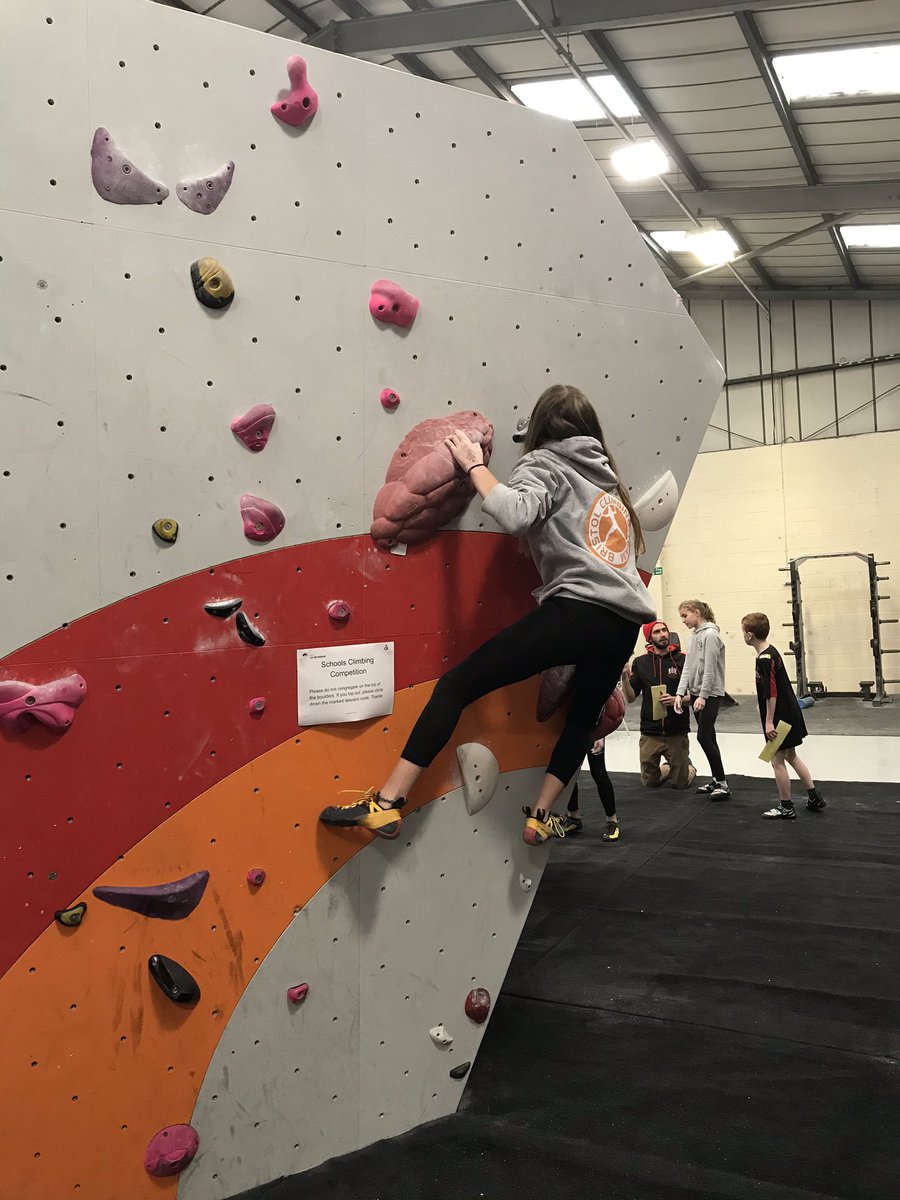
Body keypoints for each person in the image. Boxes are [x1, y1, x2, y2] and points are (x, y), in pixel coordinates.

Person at [318, 384, 656, 846]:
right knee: (580, 721)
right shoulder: (607, 483)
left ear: (542, 428)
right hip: (623, 626)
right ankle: (540, 816)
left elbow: (515, 513)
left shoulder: (547, 463)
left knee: (457, 686)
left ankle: (388, 804)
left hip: (577, 611)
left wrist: (474, 464)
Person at [741, 612, 827, 819]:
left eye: (743, 631)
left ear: (750, 635)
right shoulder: (771, 652)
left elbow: (772, 692)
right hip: (788, 711)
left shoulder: (764, 659)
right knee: (791, 755)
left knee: (776, 760)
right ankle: (815, 796)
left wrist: (769, 721)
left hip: (780, 716)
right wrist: (760, 706)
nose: (743, 635)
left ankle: (786, 806)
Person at [621, 620, 696, 789]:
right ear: (649, 638)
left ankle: (688, 767)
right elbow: (631, 697)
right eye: (657, 632)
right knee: (649, 783)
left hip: (676, 730)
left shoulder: (683, 660)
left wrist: (677, 700)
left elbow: (697, 696)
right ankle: (671, 767)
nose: (662, 634)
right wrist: (624, 677)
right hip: (650, 731)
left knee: (680, 784)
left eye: (664, 630)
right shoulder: (640, 663)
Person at [674, 600, 730, 799]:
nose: (683, 620)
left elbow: (710, 668)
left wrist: (704, 696)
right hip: (697, 693)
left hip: (711, 694)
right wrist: (681, 693)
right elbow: (688, 667)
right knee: (710, 737)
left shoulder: (711, 635)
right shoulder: (693, 637)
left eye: (684, 616)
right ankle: (717, 779)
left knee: (703, 736)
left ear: (696, 613)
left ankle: (722, 784)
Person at [562, 737, 619, 840]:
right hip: (571, 730)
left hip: (594, 730)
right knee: (569, 774)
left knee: (598, 773)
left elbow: (603, 719)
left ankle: (612, 821)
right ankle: (573, 817)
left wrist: (601, 735)